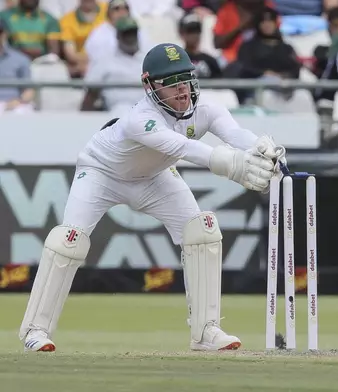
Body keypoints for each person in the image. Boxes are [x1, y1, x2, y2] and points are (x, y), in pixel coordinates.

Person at [19, 42, 286, 353]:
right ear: (150, 86)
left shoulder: (207, 110)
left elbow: (234, 133)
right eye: (172, 85)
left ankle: (205, 331)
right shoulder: (139, 119)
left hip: (154, 178)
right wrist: (233, 164)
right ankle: (35, 331)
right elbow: (180, 148)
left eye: (186, 80)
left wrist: (261, 148)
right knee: (68, 241)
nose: (182, 91)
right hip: (101, 173)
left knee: (203, 230)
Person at [81, 16, 145, 114]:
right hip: (117, 112)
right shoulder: (104, 60)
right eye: (126, 34)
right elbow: (91, 94)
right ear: (118, 36)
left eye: (133, 34)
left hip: (147, 110)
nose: (130, 38)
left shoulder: (148, 58)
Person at [59, 0, 108, 78]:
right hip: (83, 66)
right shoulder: (67, 20)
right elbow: (71, 55)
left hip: (109, 62)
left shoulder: (109, 10)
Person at [179, 12, 222, 79]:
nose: (194, 35)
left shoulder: (210, 60)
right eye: (190, 31)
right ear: (182, 33)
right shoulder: (177, 60)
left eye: (197, 30)